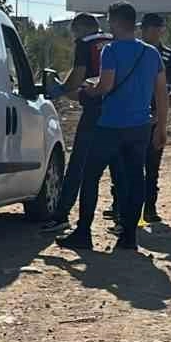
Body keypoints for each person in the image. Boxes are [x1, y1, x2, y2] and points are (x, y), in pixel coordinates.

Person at [57, 1, 169, 253]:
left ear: (116, 22)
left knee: (91, 177)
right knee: (135, 179)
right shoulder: (151, 53)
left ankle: (83, 232)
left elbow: (106, 85)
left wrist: (88, 91)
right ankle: (129, 236)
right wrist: (161, 127)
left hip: (110, 125)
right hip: (140, 126)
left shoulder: (111, 50)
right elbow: (161, 92)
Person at [40, 13, 114, 233]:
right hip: (118, 110)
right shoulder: (112, 40)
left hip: (94, 108)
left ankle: (62, 215)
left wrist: (61, 89)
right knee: (118, 165)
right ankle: (122, 218)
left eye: (75, 31)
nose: (74, 37)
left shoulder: (85, 44)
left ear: (82, 28)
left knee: (78, 165)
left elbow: (78, 74)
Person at [138, 12, 171, 223]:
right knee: (125, 165)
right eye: (145, 28)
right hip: (131, 117)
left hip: (154, 117)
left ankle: (149, 208)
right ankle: (121, 207)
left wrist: (161, 113)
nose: (145, 32)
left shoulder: (168, 57)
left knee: (152, 166)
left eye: (153, 28)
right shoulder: (134, 52)